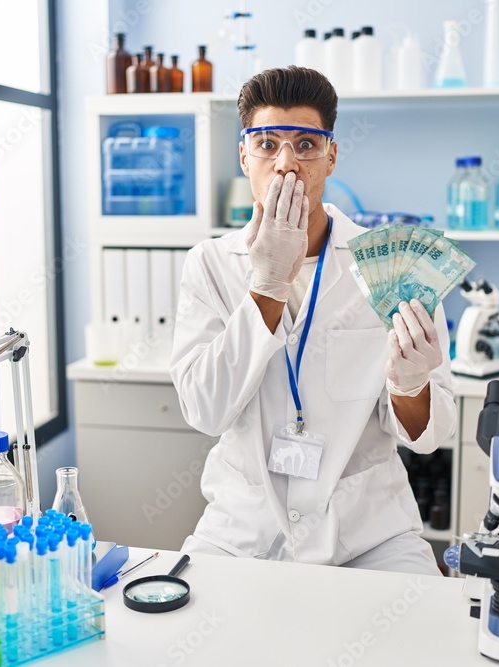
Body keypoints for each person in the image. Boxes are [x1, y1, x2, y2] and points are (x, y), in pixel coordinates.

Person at [170, 67, 457, 575]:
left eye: (305, 144)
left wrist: (411, 385)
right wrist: (267, 284)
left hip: (371, 534)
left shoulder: (387, 264)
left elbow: (428, 436)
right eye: (266, 144)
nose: (286, 164)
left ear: (331, 156)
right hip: (242, 530)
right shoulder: (211, 265)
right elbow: (205, 410)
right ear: (243, 156)